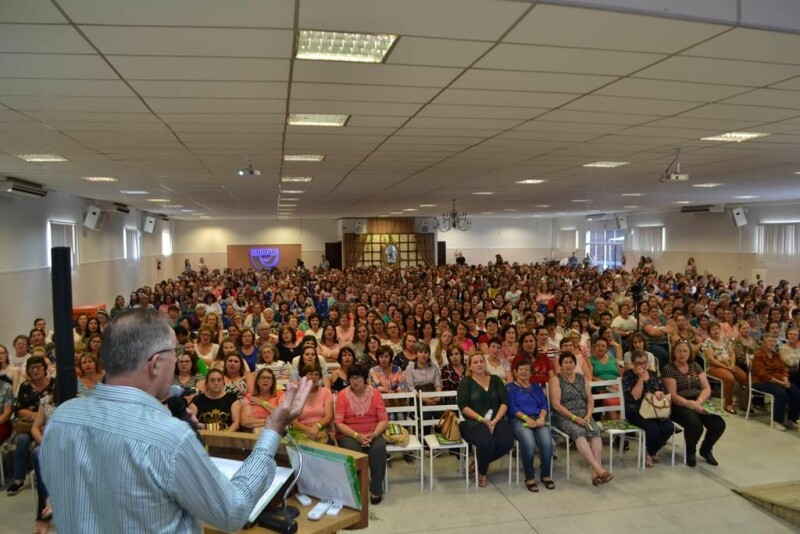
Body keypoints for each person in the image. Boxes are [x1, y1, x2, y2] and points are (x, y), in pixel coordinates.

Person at [41, 309, 312, 533]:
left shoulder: (62, 418)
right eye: (174, 351)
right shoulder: (168, 438)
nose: (179, 359)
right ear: (155, 363)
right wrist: (273, 430)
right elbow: (233, 511)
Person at [550, 352, 611, 486]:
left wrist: (589, 415)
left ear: (575, 364)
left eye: (571, 362)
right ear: (560, 365)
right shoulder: (556, 379)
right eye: (565, 362)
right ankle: (599, 469)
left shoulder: (581, 378)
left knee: (595, 432)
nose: (568, 365)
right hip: (564, 416)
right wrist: (574, 418)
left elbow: (590, 399)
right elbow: (556, 404)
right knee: (579, 433)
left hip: (584, 414)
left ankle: (596, 473)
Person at [662, 339, 725, 467]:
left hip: (698, 401)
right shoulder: (669, 369)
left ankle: (705, 449)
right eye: (679, 350)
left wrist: (699, 402)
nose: (682, 354)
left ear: (690, 353)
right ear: (674, 352)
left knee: (719, 424)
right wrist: (690, 405)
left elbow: (706, 388)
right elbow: (672, 395)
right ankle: (691, 451)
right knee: (694, 424)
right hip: (679, 404)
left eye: (685, 351)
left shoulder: (695, 366)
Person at [335, 364, 389, 505]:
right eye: (352, 378)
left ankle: (376, 488)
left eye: (358, 377)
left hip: (372, 432)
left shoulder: (375, 394)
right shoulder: (342, 395)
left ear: (364, 378)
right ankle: (355, 488)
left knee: (378, 448)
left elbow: (383, 419)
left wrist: (375, 433)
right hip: (349, 434)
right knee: (353, 450)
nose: (355, 381)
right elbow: (339, 423)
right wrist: (356, 435)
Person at [457, 352, 513, 488]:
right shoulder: (466, 382)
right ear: (470, 366)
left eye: (481, 361)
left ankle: (478, 463)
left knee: (507, 442)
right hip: (473, 421)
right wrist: (483, 420)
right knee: (486, 443)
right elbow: (463, 406)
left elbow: (504, 402)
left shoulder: (495, 380)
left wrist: (494, 421)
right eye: (475, 362)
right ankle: (482, 472)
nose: (479, 364)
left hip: (496, 419)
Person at [506, 359, 554, 491]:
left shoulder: (537, 387)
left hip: (538, 418)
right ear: (515, 372)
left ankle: (545, 474)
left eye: (526, 369)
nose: (523, 372)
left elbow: (544, 405)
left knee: (547, 443)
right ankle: (530, 477)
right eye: (520, 369)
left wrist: (541, 418)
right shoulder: (510, 388)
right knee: (529, 443)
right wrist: (526, 419)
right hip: (519, 419)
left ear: (531, 372)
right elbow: (512, 408)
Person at [7, 356, 52, 497]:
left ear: (44, 368)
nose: (35, 370)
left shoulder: (55, 384)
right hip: (30, 424)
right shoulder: (25, 386)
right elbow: (19, 409)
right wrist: (37, 416)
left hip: (51, 422)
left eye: (38, 366)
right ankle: (18, 479)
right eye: (32, 368)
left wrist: (44, 418)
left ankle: (47, 476)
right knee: (21, 439)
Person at [622, 350, 675, 468]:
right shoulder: (628, 376)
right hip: (636, 411)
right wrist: (640, 378)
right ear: (633, 363)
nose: (642, 366)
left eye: (644, 363)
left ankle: (650, 451)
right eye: (638, 363)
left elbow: (662, 390)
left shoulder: (653, 374)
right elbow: (635, 397)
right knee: (653, 429)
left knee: (668, 427)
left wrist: (659, 394)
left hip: (654, 409)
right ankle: (651, 452)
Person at [751, 333, 800, 431]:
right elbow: (762, 375)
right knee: (781, 393)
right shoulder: (759, 355)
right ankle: (777, 421)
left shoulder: (776, 355)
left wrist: (786, 380)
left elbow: (783, 370)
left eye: (774, 341)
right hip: (761, 381)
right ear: (764, 343)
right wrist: (781, 383)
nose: (772, 343)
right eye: (769, 341)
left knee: (796, 392)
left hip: (779, 380)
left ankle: (792, 419)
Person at [702, 321, 746, 414]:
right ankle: (728, 404)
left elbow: (732, 353)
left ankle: (742, 403)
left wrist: (733, 365)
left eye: (717, 328)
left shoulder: (725, 339)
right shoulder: (707, 342)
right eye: (712, 329)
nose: (715, 331)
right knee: (729, 378)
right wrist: (726, 367)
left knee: (744, 377)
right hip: (715, 366)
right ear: (709, 332)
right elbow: (711, 359)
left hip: (729, 364)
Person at [292, 365, 334, 443]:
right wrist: (311, 430)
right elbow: (295, 423)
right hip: (302, 431)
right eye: (310, 374)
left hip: (322, 430)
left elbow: (328, 416)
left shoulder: (326, 392)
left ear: (319, 378)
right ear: (304, 377)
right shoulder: (297, 394)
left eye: (316, 374)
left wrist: (317, 426)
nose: (313, 377)